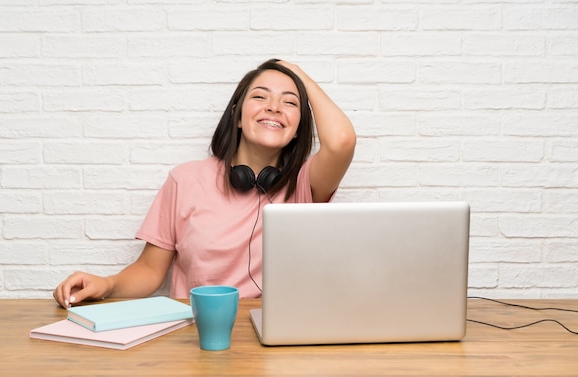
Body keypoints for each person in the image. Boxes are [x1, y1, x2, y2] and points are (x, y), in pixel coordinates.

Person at [53, 59, 356, 308]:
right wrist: (105, 284)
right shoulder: (185, 179)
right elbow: (149, 271)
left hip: (276, 332)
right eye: (260, 96)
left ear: (298, 127)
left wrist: (295, 72)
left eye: (289, 103)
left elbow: (341, 140)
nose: (274, 107)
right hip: (195, 332)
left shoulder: (305, 184)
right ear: (237, 116)